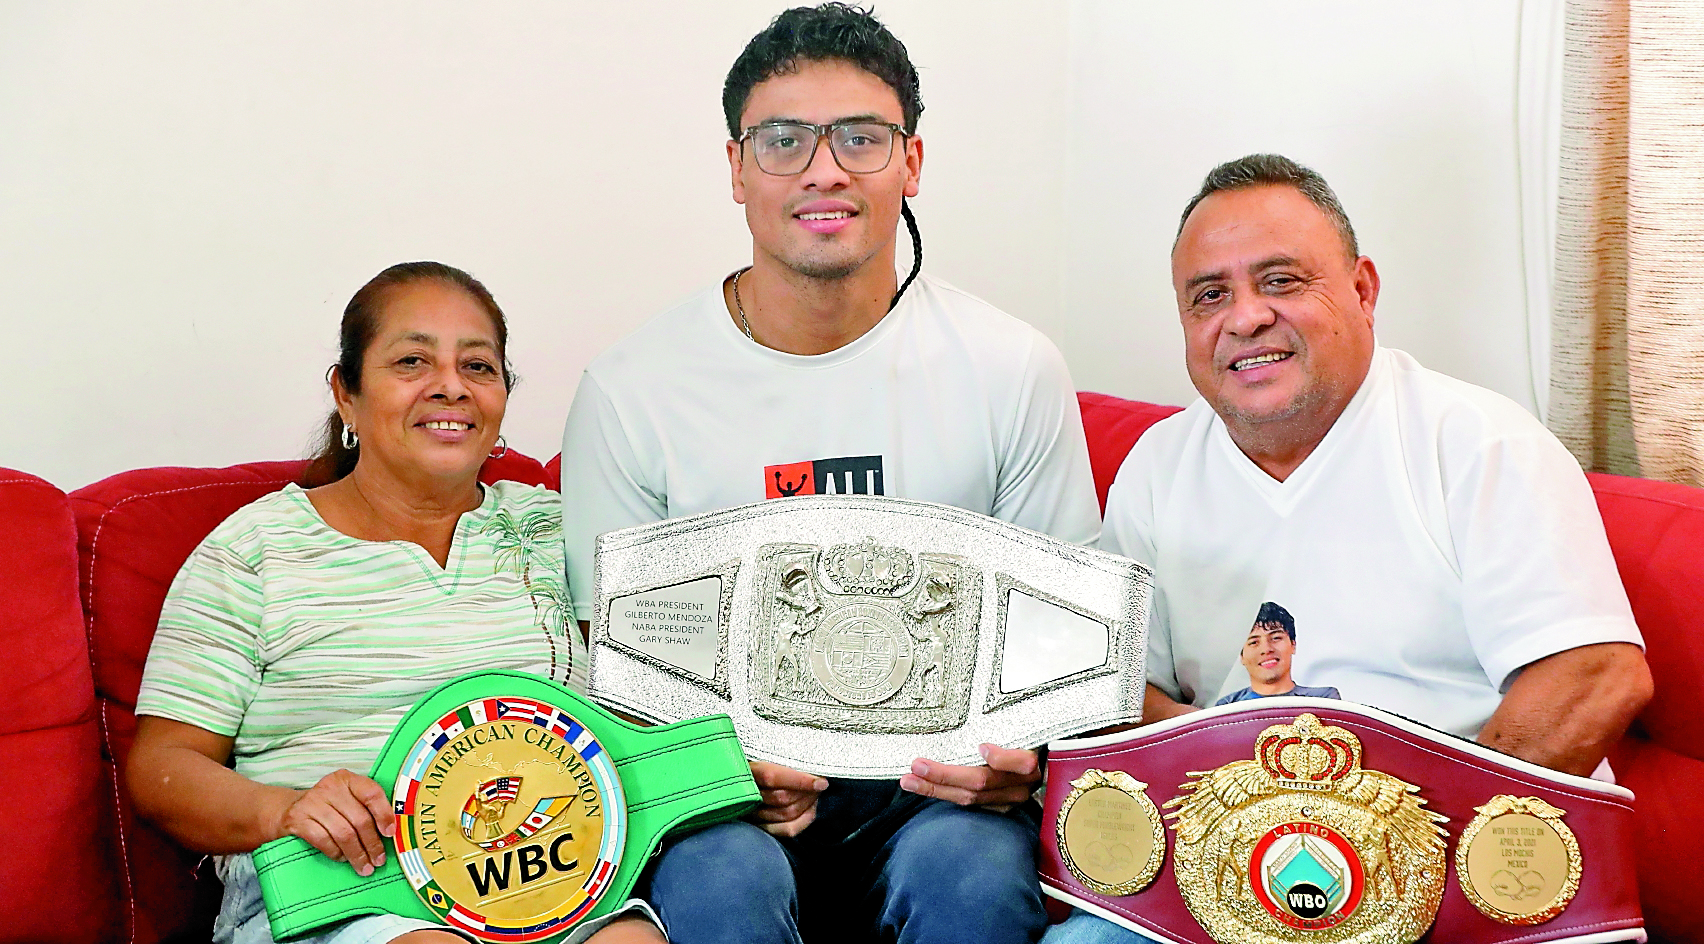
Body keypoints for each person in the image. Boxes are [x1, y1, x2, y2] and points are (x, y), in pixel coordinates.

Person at [558, 6, 1100, 942]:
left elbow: (1069, 643)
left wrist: (1028, 760)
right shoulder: (632, 390)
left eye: (861, 137)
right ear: (736, 169)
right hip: (728, 804)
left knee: (968, 872)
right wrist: (714, 774)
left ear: (912, 163)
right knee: (720, 874)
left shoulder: (1011, 366)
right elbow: (610, 668)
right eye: (783, 139)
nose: (824, 168)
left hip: (938, 801)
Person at [1045, 154, 1652, 944]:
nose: (1246, 317)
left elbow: (1596, 677)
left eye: (1282, 281)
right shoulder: (1159, 466)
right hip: (1236, 883)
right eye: (1210, 296)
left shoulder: (1477, 444)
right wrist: (1233, 818)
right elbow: (1122, 692)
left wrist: (1393, 855)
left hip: (1474, 884)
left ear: (1363, 290)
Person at [127, 262, 661, 944]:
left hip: (546, 878)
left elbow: (658, 694)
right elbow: (161, 767)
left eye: (478, 366)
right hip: (340, 889)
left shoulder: (558, 529)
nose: (450, 386)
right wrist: (285, 810)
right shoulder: (256, 551)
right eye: (412, 360)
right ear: (345, 393)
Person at [1211, 602, 1339, 705]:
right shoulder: (1227, 708)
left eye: (1276, 638)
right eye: (1254, 642)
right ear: (1241, 656)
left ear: (1293, 644)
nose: (1266, 649)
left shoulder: (1323, 701)